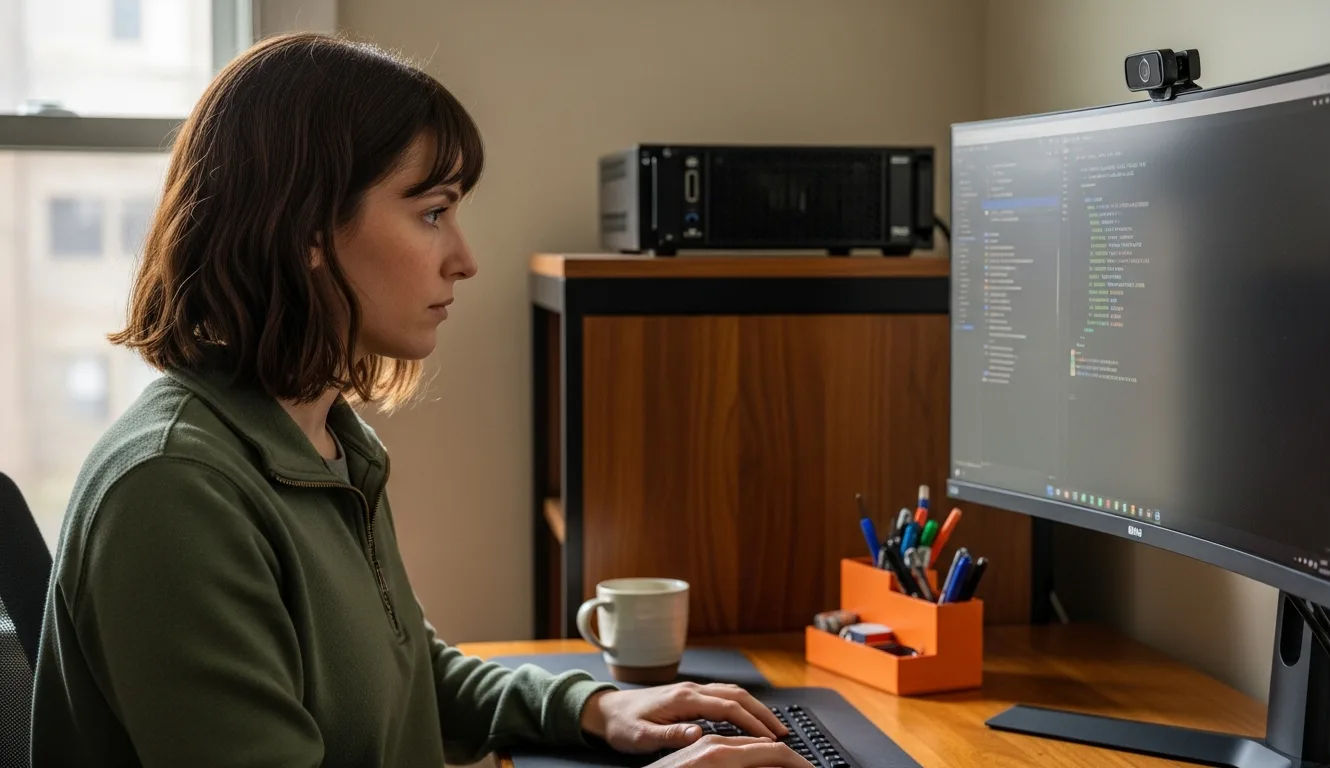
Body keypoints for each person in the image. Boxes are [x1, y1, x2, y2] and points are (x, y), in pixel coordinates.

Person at [28, 32, 809, 768]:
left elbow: (411, 680)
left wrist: (598, 708)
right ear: (305, 228)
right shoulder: (174, 492)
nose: (464, 259)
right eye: (432, 212)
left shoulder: (325, 442)